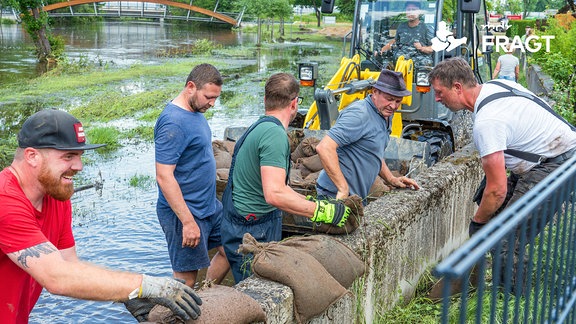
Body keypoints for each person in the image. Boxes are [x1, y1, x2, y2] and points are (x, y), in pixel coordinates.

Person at [0, 109, 202, 323]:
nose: (79, 166)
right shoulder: (5, 200)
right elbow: (56, 277)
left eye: (79, 156)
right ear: (32, 156)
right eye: (68, 156)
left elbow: (70, 266)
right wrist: (146, 286)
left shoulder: (56, 196)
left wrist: (127, 294)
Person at [428, 57, 576, 293]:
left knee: (506, 236)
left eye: (439, 92)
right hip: (552, 154)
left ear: (457, 87)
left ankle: (513, 296)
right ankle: (494, 275)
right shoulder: (496, 86)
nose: (437, 98)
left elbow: (497, 191)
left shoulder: (487, 122)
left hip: (556, 164)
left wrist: (477, 222)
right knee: (495, 213)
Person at [220, 73, 352, 283]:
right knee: (257, 294)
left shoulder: (258, 127)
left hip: (240, 223)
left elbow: (280, 187)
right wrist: (323, 212)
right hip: (253, 230)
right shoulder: (274, 136)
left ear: (265, 100)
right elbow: (274, 194)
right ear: (294, 104)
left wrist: (308, 202)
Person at [154, 63, 230, 289]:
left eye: (216, 98)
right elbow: (164, 176)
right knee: (186, 277)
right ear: (190, 87)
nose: (212, 103)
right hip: (186, 212)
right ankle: (179, 315)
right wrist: (187, 222)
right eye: (208, 97)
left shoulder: (195, 113)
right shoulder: (173, 122)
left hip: (209, 206)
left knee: (230, 250)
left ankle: (205, 296)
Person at [315, 69, 420, 203]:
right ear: (374, 92)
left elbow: (373, 151)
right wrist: (342, 189)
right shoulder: (359, 114)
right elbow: (324, 148)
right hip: (334, 196)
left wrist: (391, 179)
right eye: (389, 99)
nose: (393, 106)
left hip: (356, 197)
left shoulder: (385, 114)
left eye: (398, 101)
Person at [379, 1, 433, 68]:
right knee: (384, 64)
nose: (410, 12)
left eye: (413, 10)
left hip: (419, 65)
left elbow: (433, 48)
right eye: (408, 10)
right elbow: (395, 41)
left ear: (419, 12)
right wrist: (382, 50)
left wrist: (422, 48)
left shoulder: (426, 28)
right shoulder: (402, 26)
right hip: (400, 62)